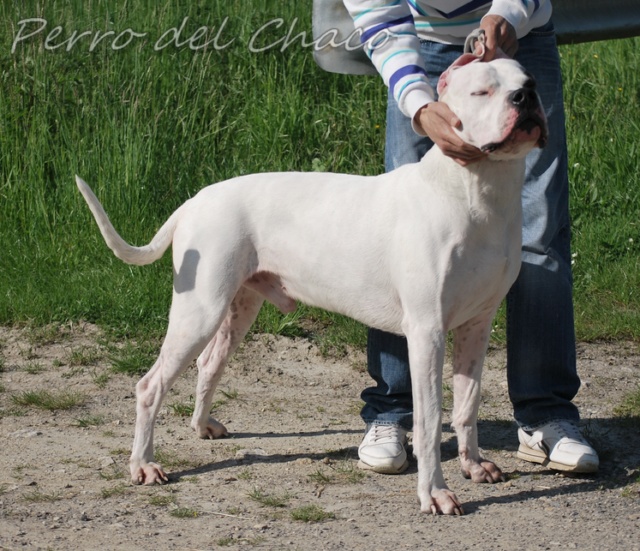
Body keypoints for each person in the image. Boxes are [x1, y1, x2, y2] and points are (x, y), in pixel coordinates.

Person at [341, 0, 599, 474]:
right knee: (407, 233)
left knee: (538, 231)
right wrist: (419, 105)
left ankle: (545, 415)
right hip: (417, 40)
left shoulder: (520, 81)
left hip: (521, 39)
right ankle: (395, 412)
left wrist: (510, 14)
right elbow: (376, 13)